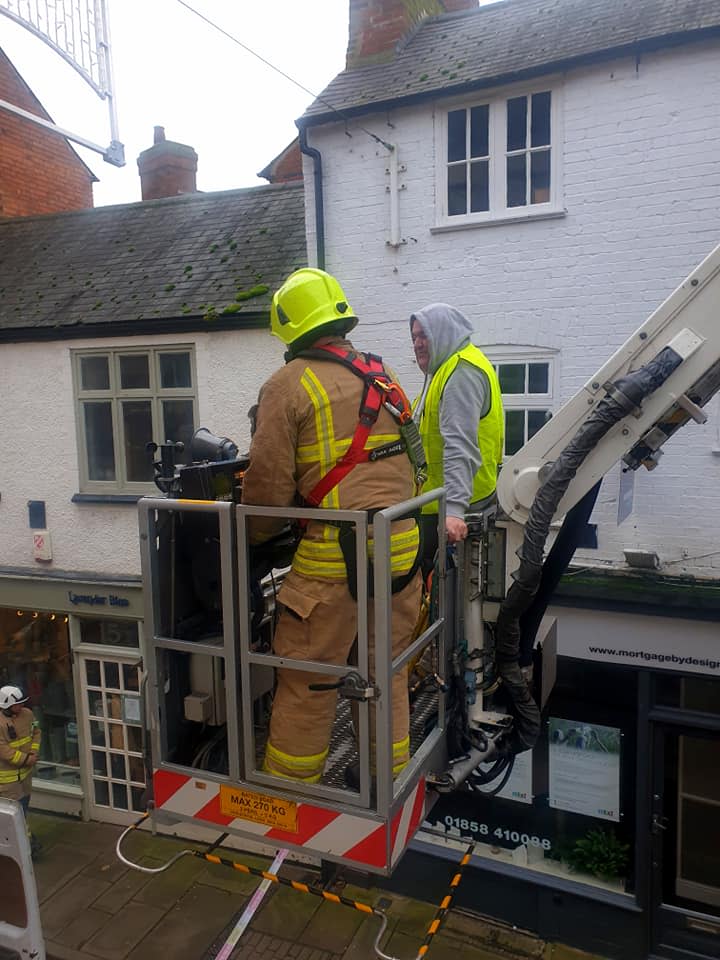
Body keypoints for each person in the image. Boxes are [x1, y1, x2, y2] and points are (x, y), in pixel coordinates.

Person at [242, 268, 423, 786]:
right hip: (401, 550)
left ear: (289, 327)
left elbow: (269, 492)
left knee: (308, 681)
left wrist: (251, 538)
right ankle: (382, 778)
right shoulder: (381, 375)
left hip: (332, 563)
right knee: (385, 670)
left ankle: (292, 797)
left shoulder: (287, 384)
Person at [410, 303, 504, 561]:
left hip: (451, 508)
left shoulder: (461, 372)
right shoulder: (446, 369)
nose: (417, 344)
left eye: (424, 335)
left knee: (434, 592)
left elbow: (459, 443)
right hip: (444, 501)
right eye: (414, 337)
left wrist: (453, 511)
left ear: (443, 332)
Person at [0, 685, 41, 852]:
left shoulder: (28, 714)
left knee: (23, 809)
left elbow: (36, 732)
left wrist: (33, 752)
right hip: (7, 781)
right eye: (17, 704)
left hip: (25, 776)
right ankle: (25, 845)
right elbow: (4, 750)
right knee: (14, 814)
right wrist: (26, 759)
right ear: (5, 705)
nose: (21, 707)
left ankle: (23, 841)